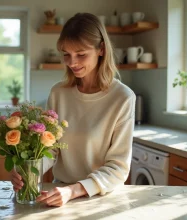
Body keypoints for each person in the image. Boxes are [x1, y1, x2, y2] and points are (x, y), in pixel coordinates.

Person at [11, 12, 136, 207]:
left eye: (81, 54)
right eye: (66, 55)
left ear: (101, 49)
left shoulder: (122, 97)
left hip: (100, 198)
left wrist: (74, 190)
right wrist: (27, 170)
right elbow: (51, 149)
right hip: (59, 195)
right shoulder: (58, 93)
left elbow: (118, 168)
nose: (72, 63)